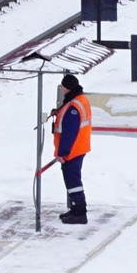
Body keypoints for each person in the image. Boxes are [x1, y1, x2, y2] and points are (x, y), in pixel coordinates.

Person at [51, 73, 92, 225]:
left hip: (73, 150)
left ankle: (79, 213)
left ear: (67, 88)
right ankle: (75, 209)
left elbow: (69, 132)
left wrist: (62, 152)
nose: (62, 90)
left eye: (62, 87)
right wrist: (58, 112)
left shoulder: (74, 106)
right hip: (79, 147)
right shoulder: (78, 99)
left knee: (73, 181)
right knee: (73, 180)